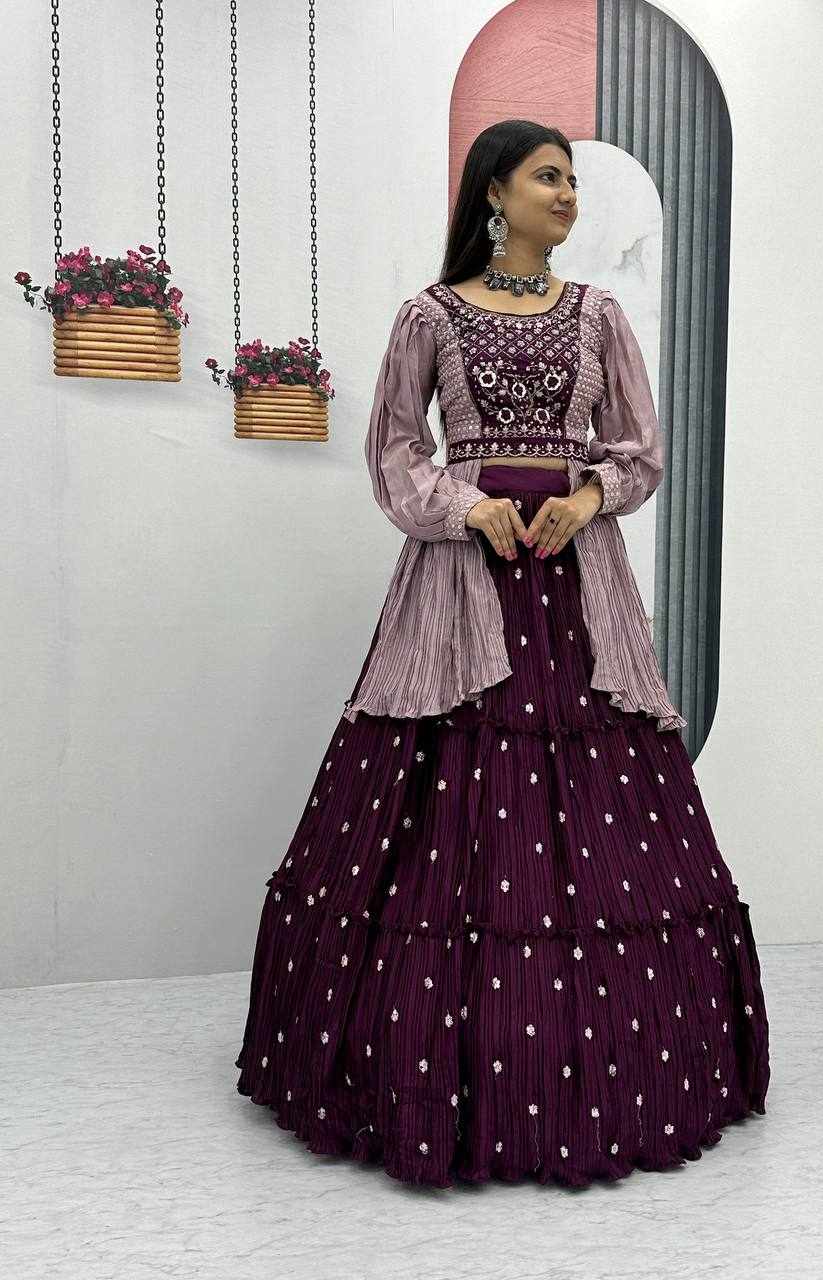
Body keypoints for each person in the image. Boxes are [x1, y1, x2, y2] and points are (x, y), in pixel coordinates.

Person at [235, 120, 770, 1189]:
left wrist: (586, 499)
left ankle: (615, 1066)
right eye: (547, 176)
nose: (567, 194)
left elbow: (641, 452)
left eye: (572, 180)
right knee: (440, 804)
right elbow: (395, 452)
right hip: (462, 583)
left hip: (575, 584)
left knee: (602, 799)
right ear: (495, 192)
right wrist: (466, 507)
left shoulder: (600, 315)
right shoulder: (430, 315)